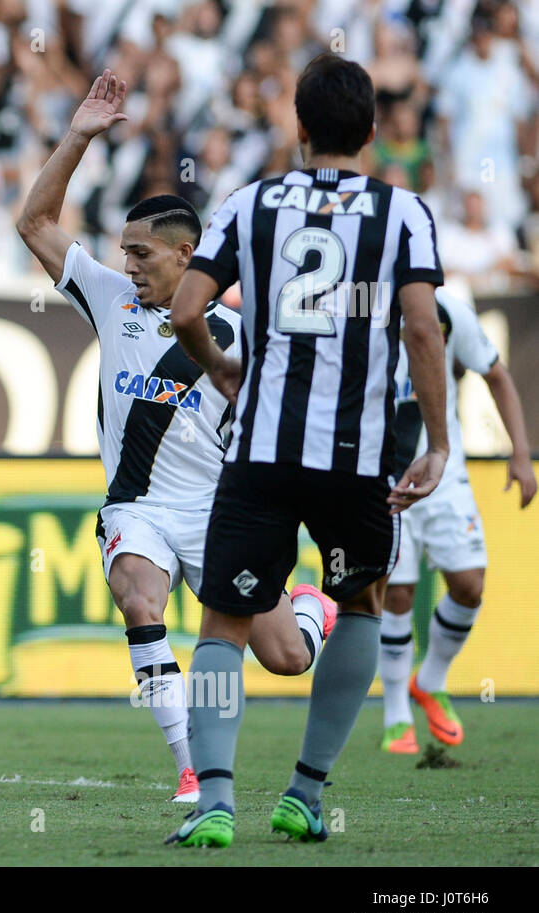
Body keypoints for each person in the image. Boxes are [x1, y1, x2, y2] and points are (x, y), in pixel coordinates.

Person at [17, 72, 335, 805]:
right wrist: (79, 137)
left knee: (287, 658)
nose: (126, 267)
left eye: (141, 255)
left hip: (218, 513)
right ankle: (193, 767)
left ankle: (314, 608)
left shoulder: (241, 335)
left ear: (186, 255)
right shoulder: (108, 297)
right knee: (138, 597)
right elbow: (34, 223)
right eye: (124, 253)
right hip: (139, 507)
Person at [164, 53, 450, 848]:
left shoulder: (249, 202)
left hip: (260, 451)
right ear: (371, 130)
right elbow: (423, 328)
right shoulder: (404, 213)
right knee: (358, 603)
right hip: (357, 458)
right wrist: (437, 441)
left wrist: (222, 367)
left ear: (298, 127)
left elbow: (189, 308)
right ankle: (304, 792)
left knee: (223, 623)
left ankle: (216, 802)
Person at [379, 290, 536, 754]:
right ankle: (395, 715)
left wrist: (521, 454)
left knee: (469, 585)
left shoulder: (447, 310)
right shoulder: (359, 307)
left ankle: (429, 681)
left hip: (443, 473)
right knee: (398, 590)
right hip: (382, 474)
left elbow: (497, 375)